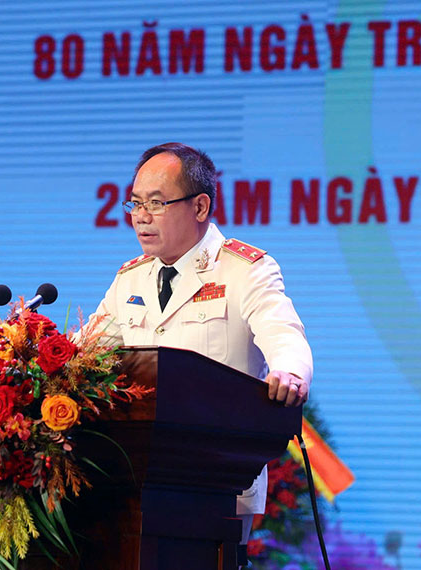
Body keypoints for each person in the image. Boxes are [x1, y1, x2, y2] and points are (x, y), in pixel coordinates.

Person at [88, 142, 313, 545]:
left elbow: (283, 332)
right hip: (134, 480)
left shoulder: (245, 270)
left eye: (156, 203)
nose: (141, 217)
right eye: (135, 203)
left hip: (218, 482)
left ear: (200, 207)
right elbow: (86, 354)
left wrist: (289, 371)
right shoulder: (130, 279)